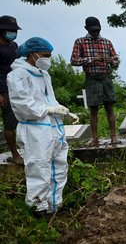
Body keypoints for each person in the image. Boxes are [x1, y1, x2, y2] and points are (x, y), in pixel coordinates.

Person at [7, 37, 79, 213]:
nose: (48, 59)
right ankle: (38, 208)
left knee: (59, 168)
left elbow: (49, 100)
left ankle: (54, 205)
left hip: (54, 128)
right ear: (33, 53)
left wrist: (64, 112)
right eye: (45, 55)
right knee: (39, 168)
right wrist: (50, 110)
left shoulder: (43, 74)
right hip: (35, 130)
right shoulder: (18, 75)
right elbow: (22, 105)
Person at [70, 16, 120, 146]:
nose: (95, 33)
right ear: (86, 28)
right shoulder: (80, 42)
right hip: (92, 78)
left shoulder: (107, 42)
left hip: (106, 77)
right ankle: (94, 138)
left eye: (97, 30)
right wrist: (92, 59)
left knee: (110, 107)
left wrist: (112, 61)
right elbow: (74, 60)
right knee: (93, 110)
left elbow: (116, 60)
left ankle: (114, 136)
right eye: (93, 30)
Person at [0, 15, 23, 165]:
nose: (13, 33)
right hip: (3, 89)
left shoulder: (14, 45)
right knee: (9, 123)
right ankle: (15, 155)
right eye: (10, 30)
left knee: (18, 119)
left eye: (14, 30)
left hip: (15, 86)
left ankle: (19, 151)